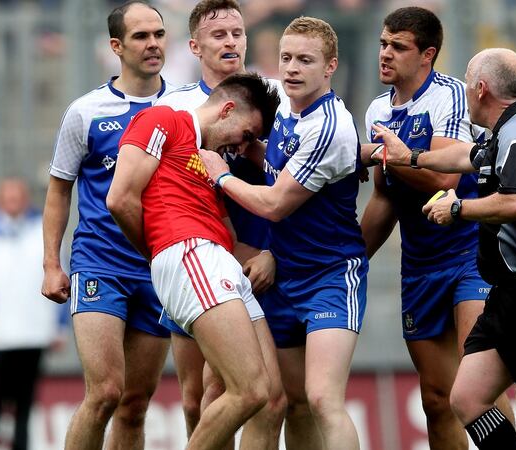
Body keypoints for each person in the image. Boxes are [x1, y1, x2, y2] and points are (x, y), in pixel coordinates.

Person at [373, 48, 516, 449]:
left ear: (482, 89)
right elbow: (466, 157)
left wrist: (458, 208)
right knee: (467, 398)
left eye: (468, 85)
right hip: (512, 293)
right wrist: (412, 156)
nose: (465, 93)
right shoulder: (504, 130)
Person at [200, 17, 367, 450]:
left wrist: (221, 176)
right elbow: (278, 164)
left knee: (322, 399)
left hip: (330, 275)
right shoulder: (287, 107)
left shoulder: (327, 125)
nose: (292, 68)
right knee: (291, 401)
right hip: (284, 275)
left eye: (305, 60)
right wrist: (250, 148)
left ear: (330, 67)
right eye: (287, 58)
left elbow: (275, 204)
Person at [359, 7, 512, 449]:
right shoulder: (376, 111)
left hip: (471, 255)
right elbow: (384, 198)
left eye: (398, 47)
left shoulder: (450, 96)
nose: (385, 54)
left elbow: (445, 181)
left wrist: (397, 155)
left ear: (427, 55)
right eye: (384, 43)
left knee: (478, 382)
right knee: (436, 398)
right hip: (420, 263)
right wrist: (350, 257)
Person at [107, 72, 281, 450]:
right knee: (249, 390)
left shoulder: (209, 162)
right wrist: (162, 248)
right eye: (247, 134)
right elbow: (120, 199)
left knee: (271, 397)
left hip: (217, 259)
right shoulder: (164, 120)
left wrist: (272, 256)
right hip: (190, 253)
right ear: (228, 110)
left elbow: (230, 238)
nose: (242, 146)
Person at [41, 2, 173, 449]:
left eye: (158, 33)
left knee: (135, 404)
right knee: (104, 393)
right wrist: (50, 264)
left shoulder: (183, 107)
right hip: (100, 262)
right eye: (141, 36)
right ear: (116, 46)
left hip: (159, 268)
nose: (153, 43)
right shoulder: (86, 111)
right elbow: (59, 190)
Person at [155, 0, 286, 445]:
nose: (231, 42)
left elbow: (302, 177)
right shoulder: (176, 108)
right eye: (218, 35)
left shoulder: (279, 96)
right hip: (203, 255)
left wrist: (270, 251)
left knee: (268, 397)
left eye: (237, 32)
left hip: (269, 261)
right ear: (194, 46)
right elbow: (160, 192)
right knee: (197, 396)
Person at [0, 177, 69, 450]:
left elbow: (61, 275)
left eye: (17, 197)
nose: (13, 204)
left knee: (25, 404)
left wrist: (59, 325)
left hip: (34, 333)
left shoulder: (42, 231)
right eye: (8, 198)